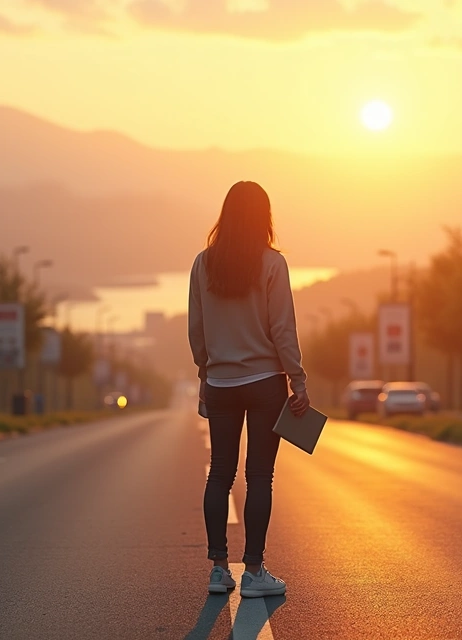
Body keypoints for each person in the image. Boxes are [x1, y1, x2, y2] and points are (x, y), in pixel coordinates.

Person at [189, 181, 309, 599]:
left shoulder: (203, 264)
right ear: (265, 216)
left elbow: (197, 330)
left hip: (221, 384)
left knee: (220, 473)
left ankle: (219, 568)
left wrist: (206, 372)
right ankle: (255, 571)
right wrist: (297, 378)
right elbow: (282, 329)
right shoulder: (272, 264)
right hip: (265, 385)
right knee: (260, 475)